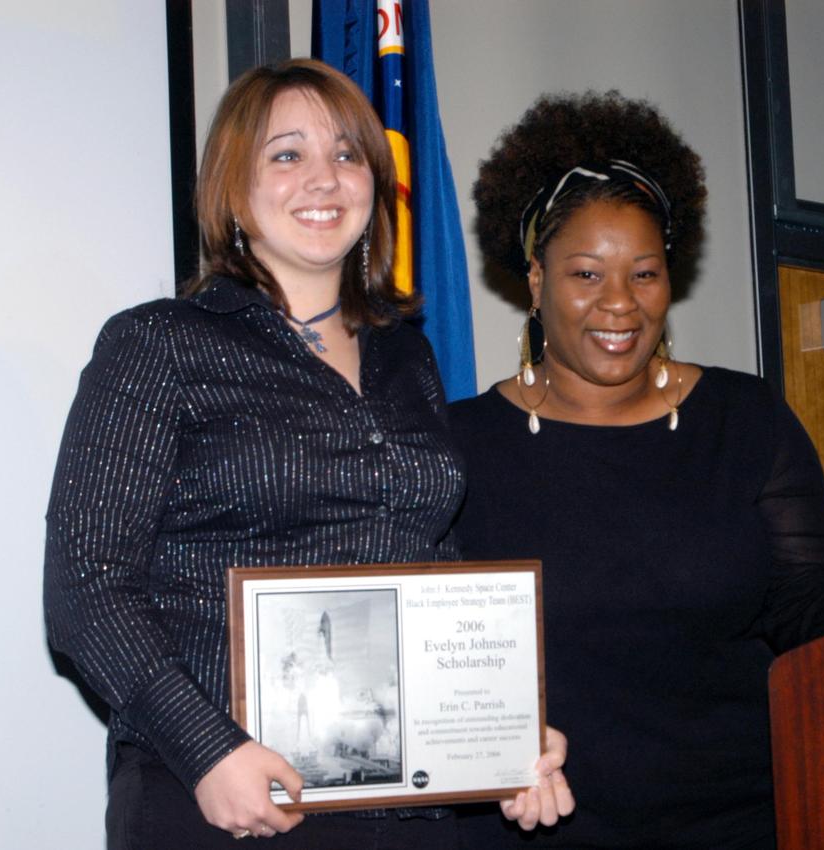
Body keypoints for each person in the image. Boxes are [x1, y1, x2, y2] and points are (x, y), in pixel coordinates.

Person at [44, 58, 570, 849]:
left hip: (409, 807)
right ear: (234, 183)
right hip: (224, 803)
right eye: (287, 154)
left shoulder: (407, 358)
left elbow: (430, 569)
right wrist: (207, 751)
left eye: (347, 154)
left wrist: (502, 732)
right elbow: (87, 585)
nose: (324, 179)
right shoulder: (158, 344)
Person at [449, 92, 824, 850]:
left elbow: (816, 602)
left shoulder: (744, 420)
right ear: (536, 277)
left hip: (741, 824)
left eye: (644, 274)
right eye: (586, 274)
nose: (620, 305)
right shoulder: (458, 447)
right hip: (537, 831)